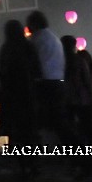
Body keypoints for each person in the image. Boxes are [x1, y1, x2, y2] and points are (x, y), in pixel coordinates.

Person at [0, 19, 40, 174]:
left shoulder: (7, 49)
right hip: (28, 95)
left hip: (12, 95)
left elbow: (3, 71)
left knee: (16, 133)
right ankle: (32, 165)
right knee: (28, 133)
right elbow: (37, 70)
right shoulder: (28, 47)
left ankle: (23, 165)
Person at [27, 10, 72, 145]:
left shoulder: (36, 39)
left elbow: (34, 63)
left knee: (40, 122)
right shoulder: (54, 38)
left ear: (34, 24)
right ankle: (77, 156)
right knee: (59, 123)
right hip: (59, 82)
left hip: (44, 84)